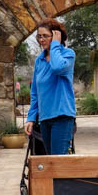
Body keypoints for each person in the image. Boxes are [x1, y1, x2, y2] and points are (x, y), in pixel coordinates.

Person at [25, 19, 76, 155]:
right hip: (45, 118)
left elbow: (57, 68)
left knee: (58, 160)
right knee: (49, 161)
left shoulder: (68, 54)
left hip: (62, 116)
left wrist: (55, 45)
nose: (41, 40)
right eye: (39, 36)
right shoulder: (39, 61)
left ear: (56, 36)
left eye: (45, 36)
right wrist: (31, 118)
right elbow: (35, 91)